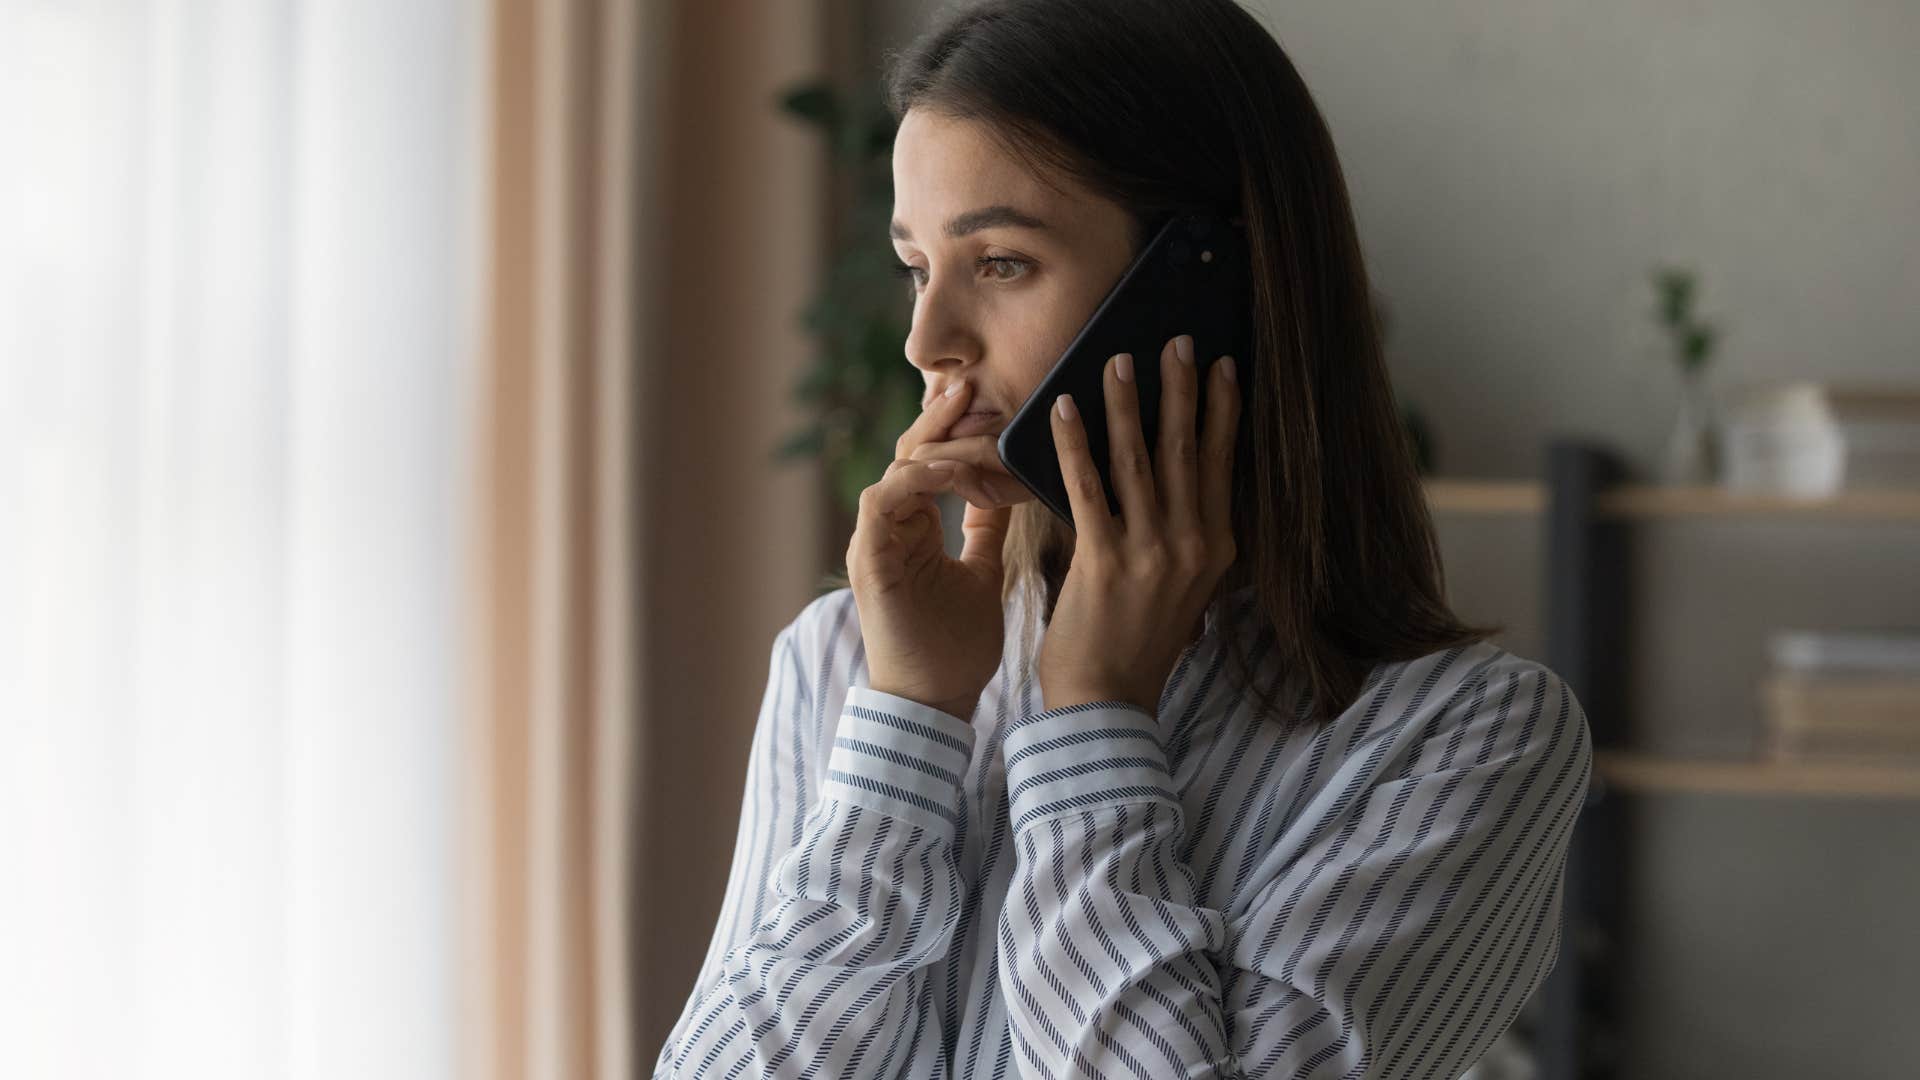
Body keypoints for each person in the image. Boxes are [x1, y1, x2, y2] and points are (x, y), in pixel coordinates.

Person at [652, 0, 1593, 1076]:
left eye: (1000, 262)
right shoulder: (844, 661)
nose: (926, 342)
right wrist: (909, 725)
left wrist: (1094, 720)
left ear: (1206, 292)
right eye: (919, 266)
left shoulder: (1466, 738)